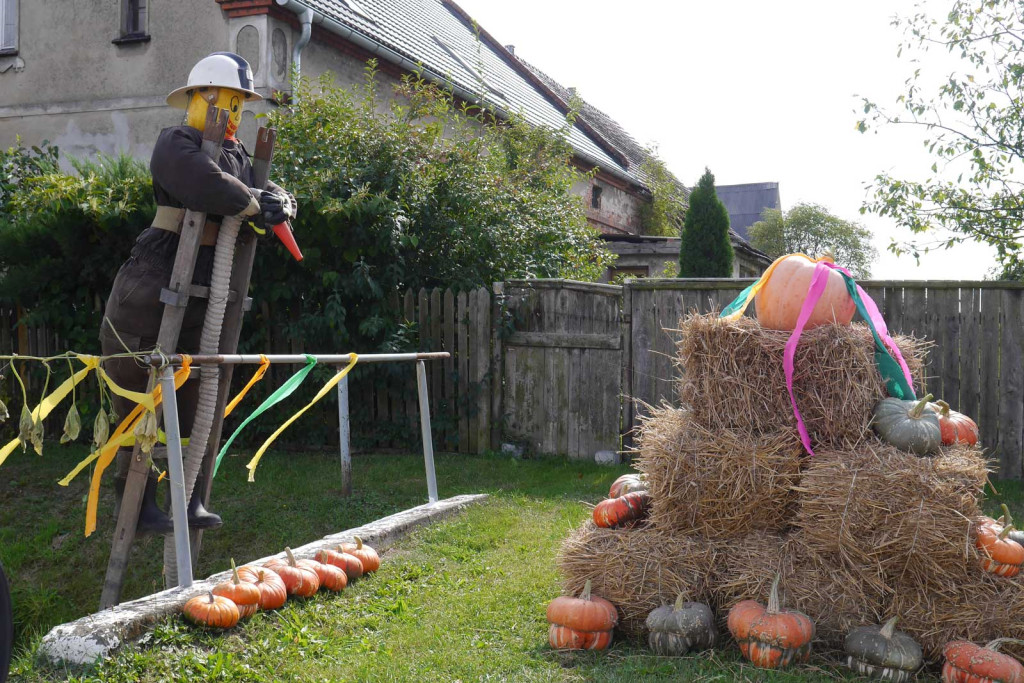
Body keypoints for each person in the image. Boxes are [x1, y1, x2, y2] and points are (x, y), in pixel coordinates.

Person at [100, 52, 296, 534]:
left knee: (200, 401)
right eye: (228, 99)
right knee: (139, 393)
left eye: (240, 103)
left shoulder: (236, 154)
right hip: (154, 280)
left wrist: (281, 202)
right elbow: (203, 184)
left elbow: (260, 190)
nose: (234, 111)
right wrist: (254, 203)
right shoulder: (177, 141)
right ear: (201, 96)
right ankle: (138, 505)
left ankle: (190, 500)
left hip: (209, 289)